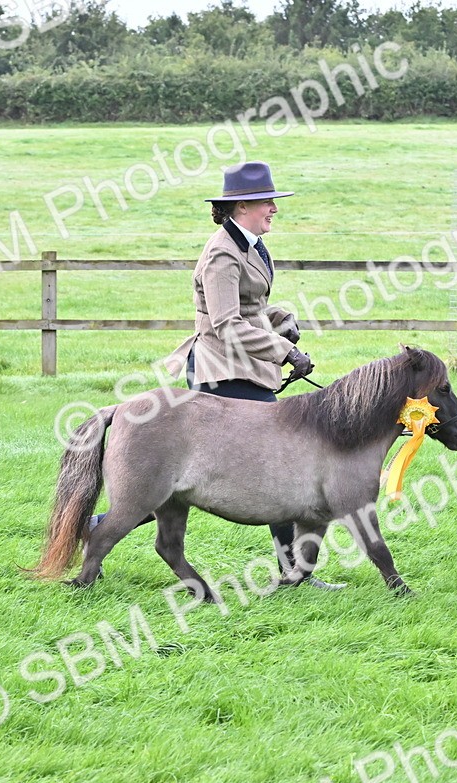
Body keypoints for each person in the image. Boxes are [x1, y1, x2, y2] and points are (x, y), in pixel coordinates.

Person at [161, 161, 346, 591]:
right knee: (278, 467)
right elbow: (225, 324)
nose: (274, 209)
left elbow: (252, 308)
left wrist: (283, 318)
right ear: (242, 205)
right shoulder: (222, 253)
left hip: (244, 367)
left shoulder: (252, 244)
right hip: (221, 373)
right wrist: (285, 350)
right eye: (267, 201)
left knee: (183, 478)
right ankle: (295, 573)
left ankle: (293, 573)